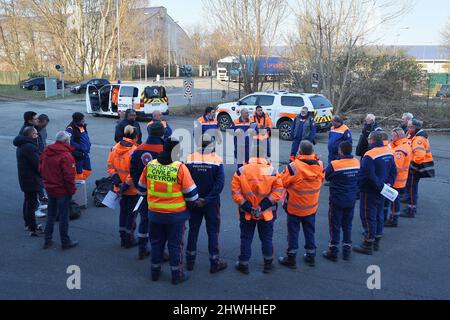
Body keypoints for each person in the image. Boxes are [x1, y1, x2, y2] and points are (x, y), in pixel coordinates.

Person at [137, 137, 199, 285]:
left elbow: (140, 190)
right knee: (175, 245)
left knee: (156, 243)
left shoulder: (150, 165)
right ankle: (176, 275)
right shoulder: (180, 168)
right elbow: (192, 196)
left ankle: (155, 272)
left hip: (154, 214)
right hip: (175, 217)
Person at [231, 143, 283, 274]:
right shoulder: (272, 171)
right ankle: (268, 264)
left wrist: (249, 207)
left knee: (246, 238)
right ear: (264, 156)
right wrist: (262, 206)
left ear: (251, 156)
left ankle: (243, 264)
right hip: (266, 214)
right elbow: (277, 192)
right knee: (266, 238)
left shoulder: (241, 171)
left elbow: (235, 192)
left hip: (247, 213)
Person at [185, 134, 227, 273]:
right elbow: (219, 184)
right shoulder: (216, 160)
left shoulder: (190, 158)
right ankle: (214, 262)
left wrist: (195, 198)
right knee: (213, 232)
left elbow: (185, 182)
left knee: (193, 230)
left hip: (194, 202)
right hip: (211, 203)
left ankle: (189, 261)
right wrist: (207, 199)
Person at [279, 141, 325, 268]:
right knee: (310, 231)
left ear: (299, 152)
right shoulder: (320, 165)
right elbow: (321, 178)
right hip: (311, 207)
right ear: (312, 152)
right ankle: (311, 256)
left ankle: (291, 258)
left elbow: (282, 182)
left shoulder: (294, 167)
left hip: (295, 208)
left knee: (293, 233)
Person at [353, 131, 397, 255]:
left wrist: (380, 187)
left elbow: (368, 175)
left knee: (368, 216)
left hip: (370, 190)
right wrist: (388, 184)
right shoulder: (389, 151)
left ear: (372, 140)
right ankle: (377, 238)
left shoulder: (369, 155)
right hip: (383, 189)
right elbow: (394, 170)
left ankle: (368, 243)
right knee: (379, 214)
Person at [130, 122, 166, 259]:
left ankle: (142, 248)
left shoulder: (139, 148)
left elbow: (132, 168)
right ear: (162, 133)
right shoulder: (164, 149)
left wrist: (138, 185)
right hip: (159, 194)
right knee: (159, 224)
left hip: (142, 192)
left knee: (144, 220)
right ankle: (159, 251)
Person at [40, 131, 79, 250]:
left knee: (51, 215)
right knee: (63, 216)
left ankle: (47, 239)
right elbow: (69, 176)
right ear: (66, 141)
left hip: (50, 188)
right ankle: (65, 241)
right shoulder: (66, 155)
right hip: (62, 190)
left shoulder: (47, 151)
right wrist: (72, 190)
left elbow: (40, 168)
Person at [322, 141, 360, 261]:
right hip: (351, 198)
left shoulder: (335, 164)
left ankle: (333, 251)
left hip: (337, 199)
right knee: (347, 225)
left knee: (335, 225)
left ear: (340, 151)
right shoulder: (357, 162)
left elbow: (325, 176)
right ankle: (347, 250)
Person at [108, 125, 139, 248]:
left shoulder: (115, 148)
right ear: (135, 137)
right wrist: (125, 185)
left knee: (123, 213)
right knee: (132, 215)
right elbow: (134, 172)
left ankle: (122, 238)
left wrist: (117, 182)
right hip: (131, 190)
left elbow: (110, 166)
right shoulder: (135, 151)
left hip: (119, 188)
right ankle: (129, 239)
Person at [401, 119, 435, 218]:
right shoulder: (418, 136)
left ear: (414, 128)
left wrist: (412, 167)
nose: (407, 128)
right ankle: (411, 207)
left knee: (412, 188)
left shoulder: (418, 139)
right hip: (417, 167)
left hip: (415, 168)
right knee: (412, 188)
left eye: (409, 127)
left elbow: (419, 156)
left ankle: (411, 210)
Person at [13, 126, 43, 236]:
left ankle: (28, 224)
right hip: (31, 179)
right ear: (30, 135)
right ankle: (32, 228)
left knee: (28, 202)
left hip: (25, 179)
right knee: (31, 204)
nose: (37, 135)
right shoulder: (29, 147)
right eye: (35, 134)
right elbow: (37, 164)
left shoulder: (22, 145)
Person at [384, 128, 412, 227]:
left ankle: (393, 220)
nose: (391, 137)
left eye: (392, 136)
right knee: (392, 200)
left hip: (396, 180)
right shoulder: (403, 145)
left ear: (397, 136)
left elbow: (395, 167)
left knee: (394, 200)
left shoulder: (400, 150)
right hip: (399, 179)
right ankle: (391, 218)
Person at [66, 112, 92, 181]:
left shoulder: (82, 126)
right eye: (82, 119)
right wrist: (81, 147)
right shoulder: (70, 128)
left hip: (85, 153)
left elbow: (85, 136)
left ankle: (78, 183)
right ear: (78, 120)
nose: (84, 120)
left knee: (88, 170)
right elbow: (70, 142)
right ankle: (78, 186)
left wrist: (88, 144)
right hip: (78, 155)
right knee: (79, 173)